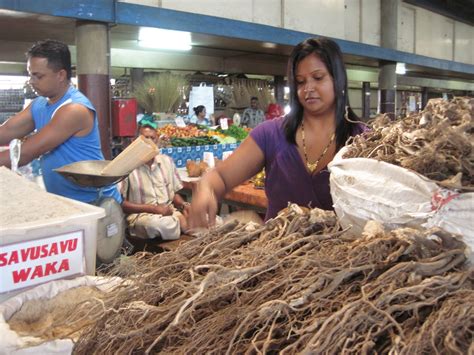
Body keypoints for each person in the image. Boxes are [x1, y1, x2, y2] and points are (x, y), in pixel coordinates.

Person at [189, 37, 367, 227]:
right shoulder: (270, 134)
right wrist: (206, 188)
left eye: (318, 78)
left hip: (345, 254)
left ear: (338, 80)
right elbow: (221, 177)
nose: (308, 88)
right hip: (277, 252)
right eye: (300, 81)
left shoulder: (365, 141)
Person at [0, 39, 121, 204]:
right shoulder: (40, 104)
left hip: (95, 203)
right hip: (64, 201)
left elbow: (26, 152)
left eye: (38, 76)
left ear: (61, 75)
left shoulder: (74, 109)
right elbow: (7, 131)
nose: (32, 81)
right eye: (30, 75)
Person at [120, 123, 190, 240]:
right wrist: (152, 209)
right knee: (161, 225)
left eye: (152, 138)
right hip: (142, 217)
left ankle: (181, 224)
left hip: (170, 212)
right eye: (145, 138)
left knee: (209, 218)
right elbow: (121, 203)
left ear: (157, 141)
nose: (149, 142)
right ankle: (182, 224)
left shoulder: (167, 161)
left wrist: (184, 205)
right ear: (135, 141)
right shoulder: (126, 166)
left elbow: (174, 193)